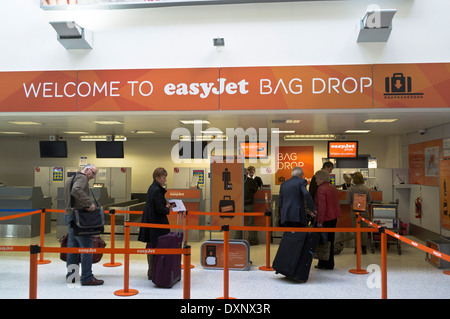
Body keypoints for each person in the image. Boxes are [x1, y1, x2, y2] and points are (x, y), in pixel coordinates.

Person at [64, 164, 104, 286]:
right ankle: (87, 277)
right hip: (79, 218)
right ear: (86, 170)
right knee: (87, 245)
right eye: (93, 173)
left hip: (70, 216)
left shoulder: (71, 178)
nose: (93, 177)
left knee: (73, 246)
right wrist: (89, 203)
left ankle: (72, 276)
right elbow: (76, 190)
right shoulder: (81, 178)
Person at [138, 167, 171, 280]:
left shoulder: (152, 188)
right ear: (157, 178)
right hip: (156, 224)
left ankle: (152, 271)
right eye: (163, 178)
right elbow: (160, 209)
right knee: (155, 246)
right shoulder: (157, 190)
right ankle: (153, 272)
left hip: (151, 222)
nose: (165, 180)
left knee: (151, 245)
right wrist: (167, 208)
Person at [313, 169, 341, 270]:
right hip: (333, 218)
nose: (315, 181)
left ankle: (323, 263)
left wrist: (320, 221)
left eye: (316, 178)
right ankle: (330, 263)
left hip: (325, 219)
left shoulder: (321, 189)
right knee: (330, 241)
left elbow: (322, 207)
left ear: (320, 179)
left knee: (323, 242)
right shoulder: (332, 187)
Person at [346, 171, 373, 254]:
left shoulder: (351, 189)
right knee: (364, 230)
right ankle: (364, 248)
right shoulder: (366, 188)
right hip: (364, 211)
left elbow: (348, 201)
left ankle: (356, 248)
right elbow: (370, 200)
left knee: (356, 230)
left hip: (354, 211)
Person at [244, 168, 258, 245]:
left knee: (239, 223)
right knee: (251, 223)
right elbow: (255, 190)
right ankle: (252, 240)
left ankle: (238, 239)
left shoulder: (236, 180)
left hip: (239, 205)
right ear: (247, 173)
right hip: (249, 204)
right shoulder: (251, 181)